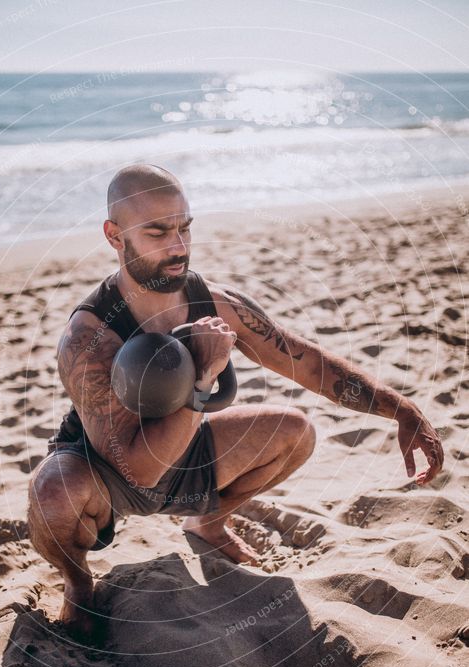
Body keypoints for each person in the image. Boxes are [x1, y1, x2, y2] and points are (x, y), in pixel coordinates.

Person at [28, 164, 444, 639]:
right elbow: (136, 471)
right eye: (158, 232)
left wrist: (400, 410)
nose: (179, 247)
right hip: (108, 470)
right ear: (115, 236)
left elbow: (307, 363)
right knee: (52, 492)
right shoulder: (89, 338)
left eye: (185, 228)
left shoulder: (218, 305)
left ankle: (208, 522)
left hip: (190, 454)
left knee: (296, 433)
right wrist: (203, 375)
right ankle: (78, 581)